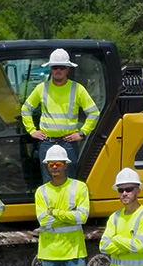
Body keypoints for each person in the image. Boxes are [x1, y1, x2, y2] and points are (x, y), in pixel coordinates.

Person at [21, 48, 100, 182]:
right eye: (55, 67)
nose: (58, 70)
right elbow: (25, 110)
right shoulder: (42, 88)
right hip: (46, 143)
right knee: (48, 182)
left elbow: (94, 112)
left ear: (68, 69)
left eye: (62, 67)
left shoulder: (77, 89)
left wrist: (82, 133)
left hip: (68, 144)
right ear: (51, 68)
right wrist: (32, 131)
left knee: (69, 182)